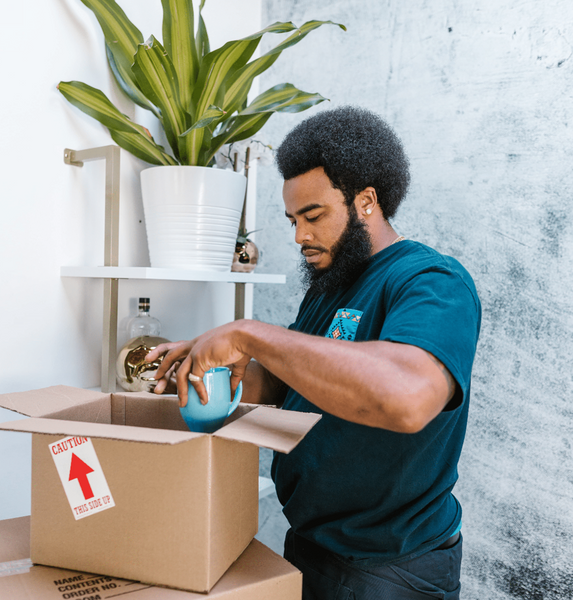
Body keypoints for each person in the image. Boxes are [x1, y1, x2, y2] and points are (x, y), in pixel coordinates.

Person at [145, 106, 482, 600]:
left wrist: (251, 334)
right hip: (311, 545)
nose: (299, 236)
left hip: (389, 568)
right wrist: (217, 370)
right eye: (292, 220)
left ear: (366, 201)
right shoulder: (330, 285)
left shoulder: (431, 281)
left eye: (313, 216)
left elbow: (407, 398)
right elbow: (293, 383)